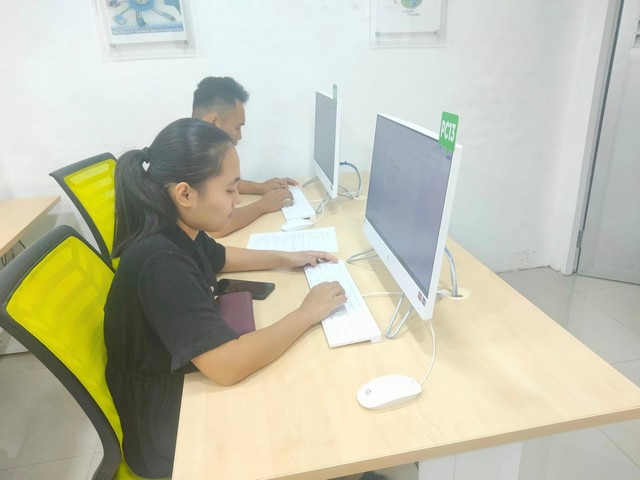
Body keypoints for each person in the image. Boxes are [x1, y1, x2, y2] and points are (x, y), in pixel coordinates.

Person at [103, 118, 346, 478]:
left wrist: (288, 257)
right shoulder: (160, 261)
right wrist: (306, 313)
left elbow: (219, 256)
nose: (237, 200)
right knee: (309, 423)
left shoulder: (176, 227)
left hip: (176, 384)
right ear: (185, 194)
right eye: (230, 190)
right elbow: (226, 366)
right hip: (168, 428)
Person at [192, 76, 298, 236]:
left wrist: (261, 187)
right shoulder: (192, 155)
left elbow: (223, 183)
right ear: (213, 122)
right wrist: (263, 205)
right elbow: (219, 227)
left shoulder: (194, 141)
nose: (239, 136)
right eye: (237, 127)